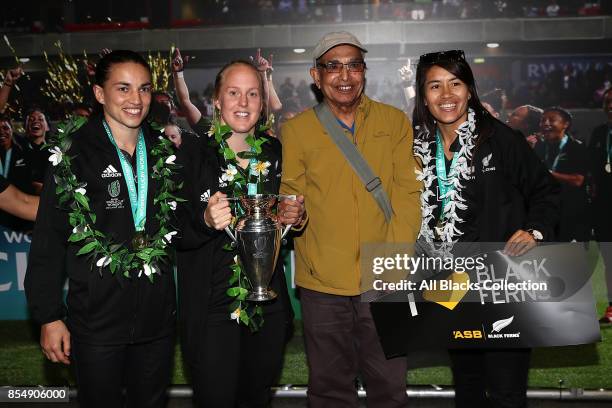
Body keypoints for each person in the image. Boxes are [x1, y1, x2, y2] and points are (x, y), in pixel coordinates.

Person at [24, 50, 178, 408]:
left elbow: (182, 226)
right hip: (96, 322)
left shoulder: (162, 151)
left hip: (156, 320)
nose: (135, 100)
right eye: (122, 88)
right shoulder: (72, 154)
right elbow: (47, 241)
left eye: (143, 89)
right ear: (99, 94)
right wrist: (48, 316)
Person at [279, 31, 421, 407]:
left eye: (353, 64)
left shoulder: (394, 122)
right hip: (322, 282)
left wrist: (397, 256)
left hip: (386, 275)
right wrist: (294, 213)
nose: (345, 75)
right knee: (328, 389)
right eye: (333, 66)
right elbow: (290, 195)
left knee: (390, 388)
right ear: (315, 75)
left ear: (364, 71)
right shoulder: (296, 130)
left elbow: (409, 193)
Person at [411, 49, 559, 407]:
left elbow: (546, 192)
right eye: (435, 86)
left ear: (470, 90)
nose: (446, 95)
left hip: (502, 282)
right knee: (468, 384)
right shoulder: (415, 148)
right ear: (423, 95)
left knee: (507, 388)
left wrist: (535, 230)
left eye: (455, 84)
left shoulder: (501, 139)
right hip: (450, 285)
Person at [175, 59, 299, 408]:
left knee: (256, 399)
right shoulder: (192, 153)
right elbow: (173, 234)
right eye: (233, 93)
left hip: (268, 305)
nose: (243, 103)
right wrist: (203, 219)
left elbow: (284, 227)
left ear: (262, 103)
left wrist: (294, 217)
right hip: (213, 308)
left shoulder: (276, 154)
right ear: (216, 99)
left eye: (252, 94)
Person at [172, 47, 282, 135]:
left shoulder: (254, 128)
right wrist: (178, 74)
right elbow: (185, 102)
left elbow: (263, 99)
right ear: (218, 104)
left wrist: (262, 73)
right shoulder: (212, 132)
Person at [534, 106, 589, 242]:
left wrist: (549, 174)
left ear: (566, 124)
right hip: (545, 212)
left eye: (551, 120)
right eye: (542, 120)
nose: (545, 123)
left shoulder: (577, 147)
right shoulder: (539, 147)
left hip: (570, 212)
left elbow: (578, 180)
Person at [588, 87, 612, 323]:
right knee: (609, 258)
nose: (610, 105)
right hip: (604, 207)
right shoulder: (599, 133)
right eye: (607, 101)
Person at [0, 115, 36, 230]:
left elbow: (26, 199)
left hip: (19, 218)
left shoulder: (25, 152)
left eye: (5, 128)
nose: (1, 132)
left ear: (12, 129)